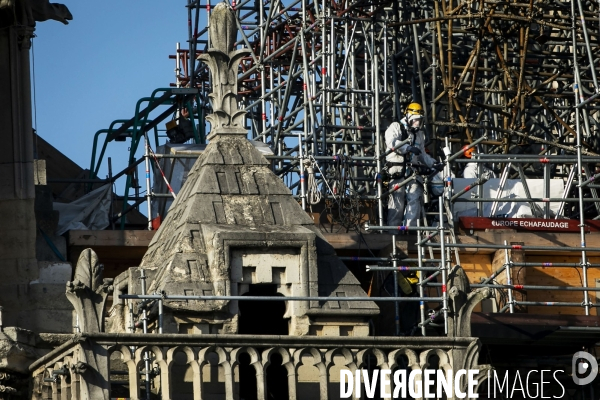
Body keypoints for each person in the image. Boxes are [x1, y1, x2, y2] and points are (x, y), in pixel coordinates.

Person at [385, 103, 444, 227]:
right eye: (416, 119)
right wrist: (408, 148)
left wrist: (434, 164)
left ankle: (410, 230)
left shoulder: (419, 135)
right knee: (397, 202)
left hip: (412, 172)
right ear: (409, 117)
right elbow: (392, 142)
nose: (418, 122)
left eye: (419, 120)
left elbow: (422, 155)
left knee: (415, 198)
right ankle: (393, 232)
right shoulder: (396, 127)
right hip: (397, 170)